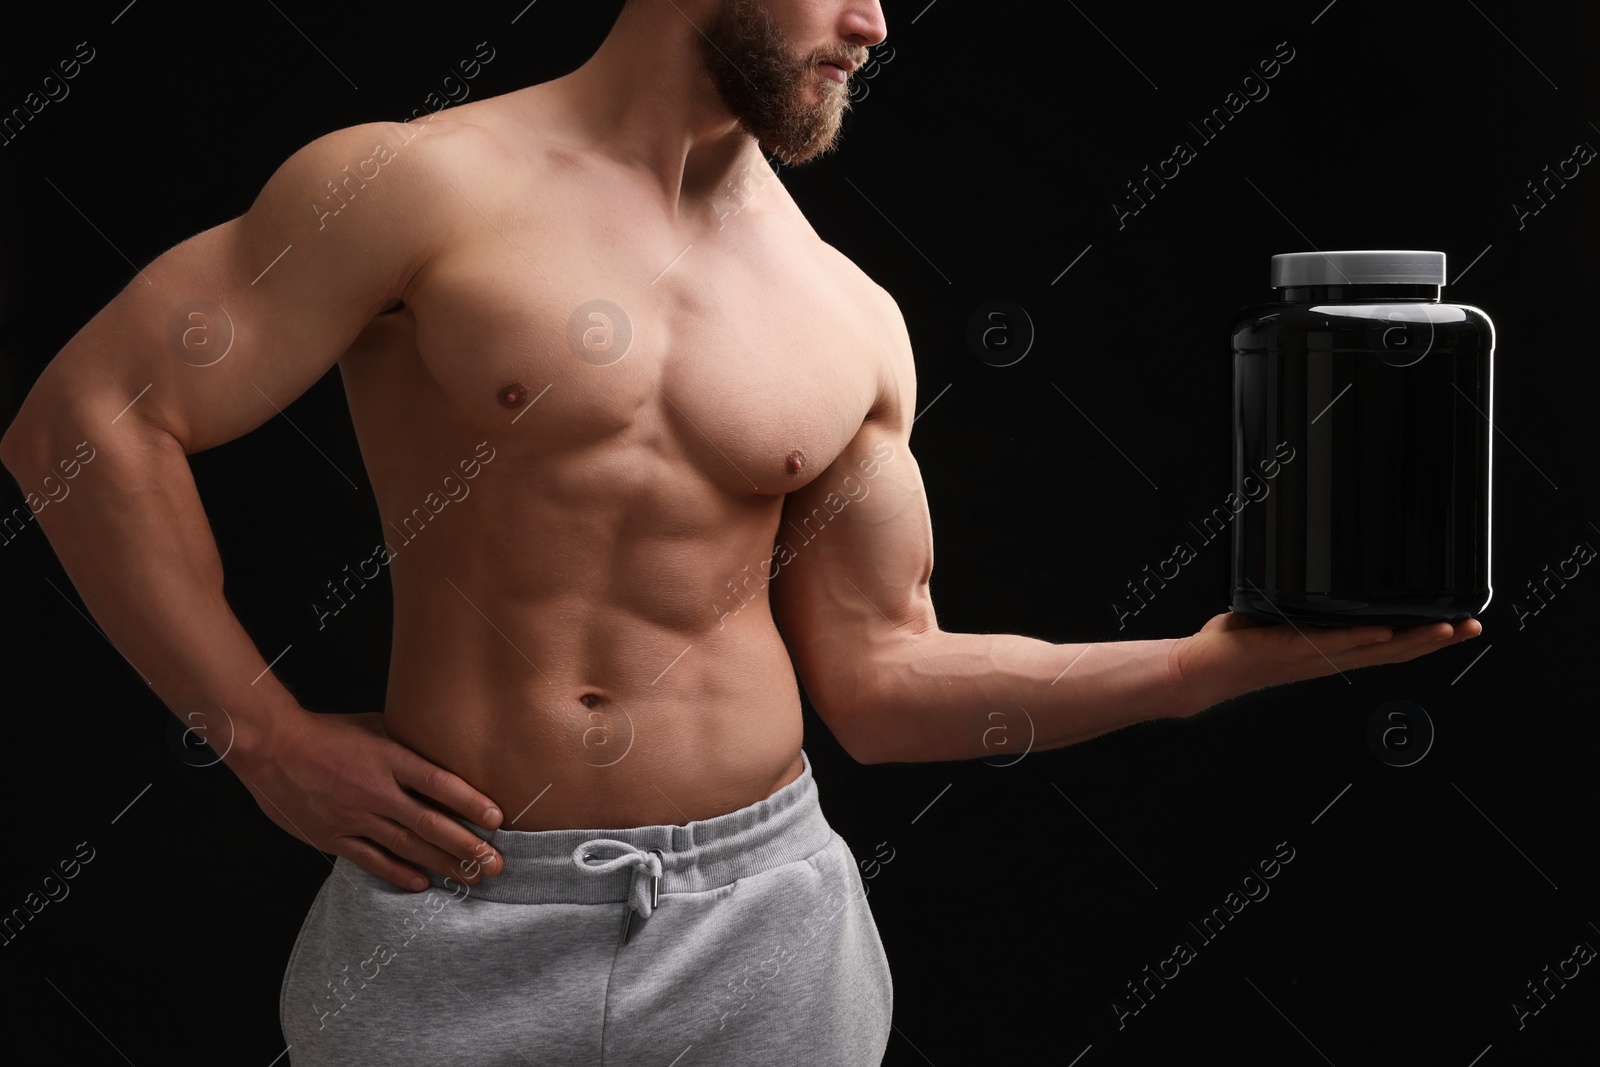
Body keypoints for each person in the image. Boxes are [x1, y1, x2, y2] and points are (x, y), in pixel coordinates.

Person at [0, 0, 1480, 1063]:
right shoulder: (417, 185)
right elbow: (85, 426)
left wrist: (1200, 667)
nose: (876, 25)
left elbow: (885, 688)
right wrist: (263, 734)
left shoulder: (845, 313)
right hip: (451, 905)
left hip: (763, 928)